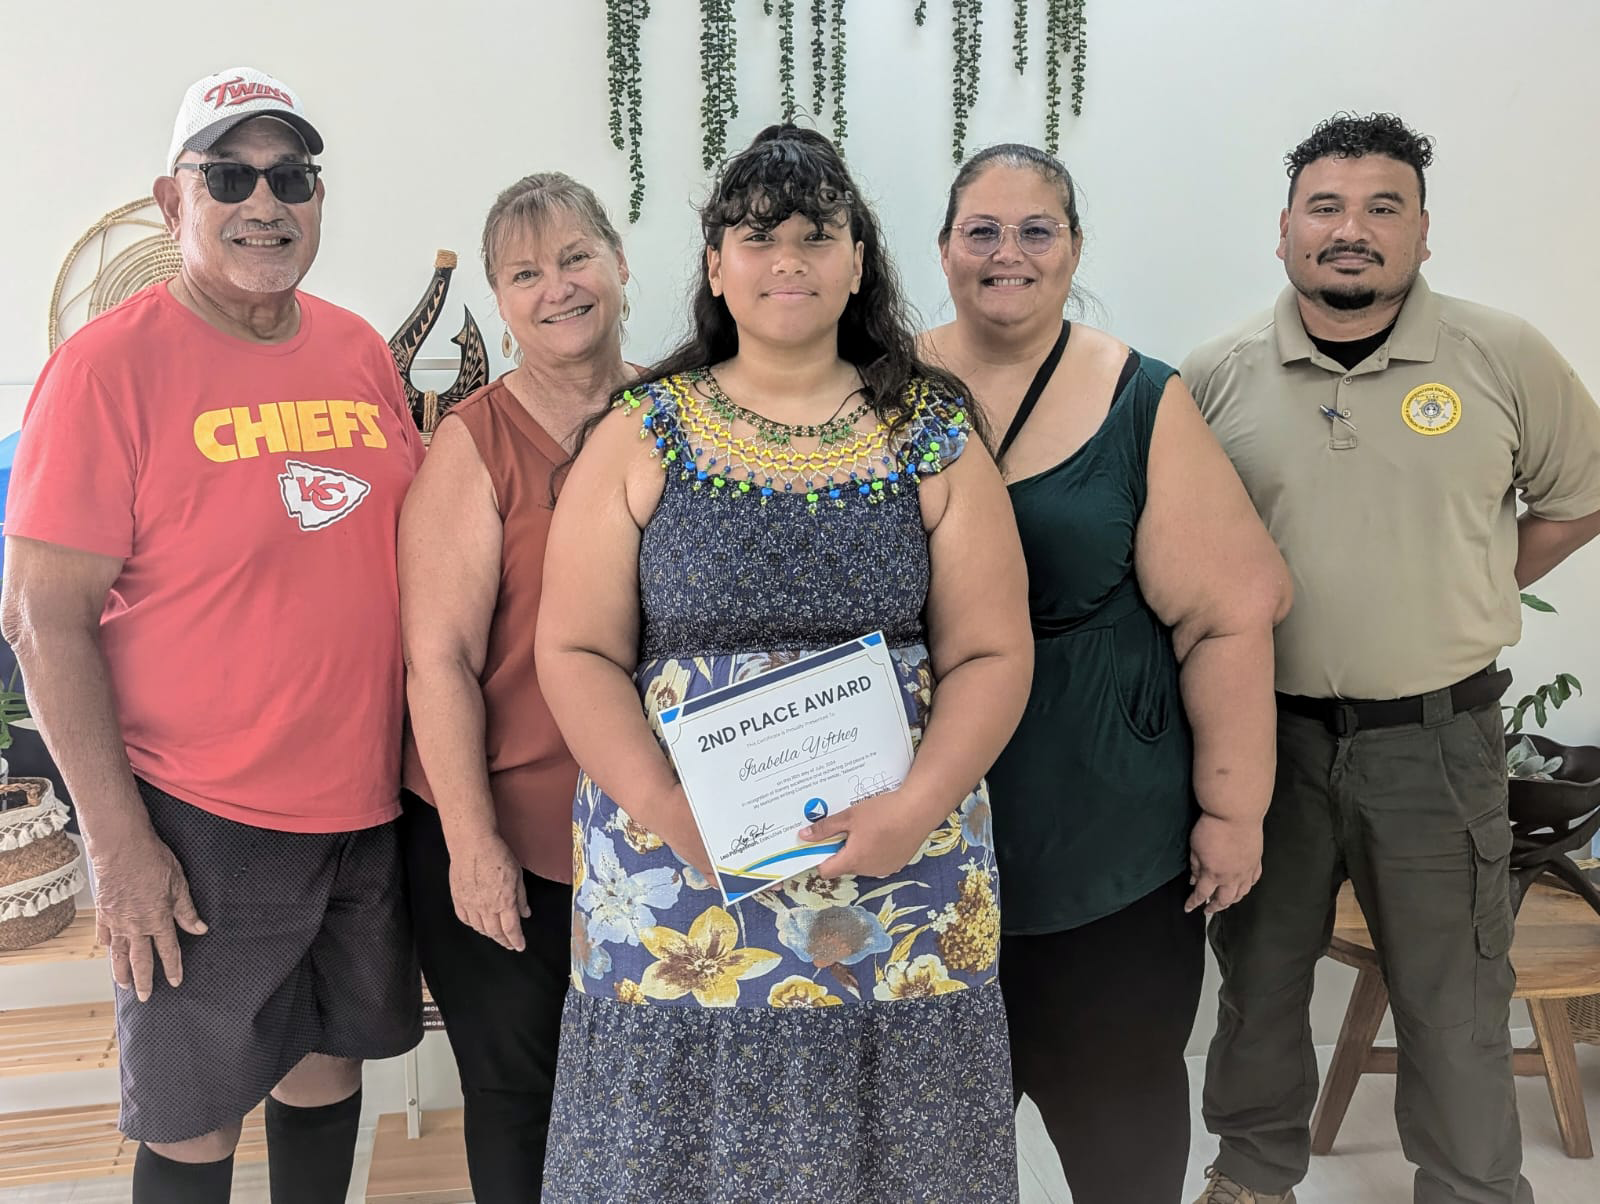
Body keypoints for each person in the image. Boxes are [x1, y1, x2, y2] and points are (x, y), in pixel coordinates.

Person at [534, 124, 1034, 1201]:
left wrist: (916, 806)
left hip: (903, 864)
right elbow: (573, 649)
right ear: (715, 264)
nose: (788, 259)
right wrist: (668, 807)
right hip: (679, 872)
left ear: (859, 260)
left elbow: (992, 648)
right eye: (756, 237)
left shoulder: (930, 427)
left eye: (816, 234)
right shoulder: (639, 430)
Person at [0, 67, 424, 1204]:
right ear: (170, 200)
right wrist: (119, 845)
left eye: (291, 176)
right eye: (228, 175)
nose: (264, 201)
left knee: (329, 1064)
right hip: (200, 819)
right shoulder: (103, 370)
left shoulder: (357, 351)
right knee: (193, 1120)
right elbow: (41, 620)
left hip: (364, 803)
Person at [1184, 112, 1600, 1204]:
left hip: (1436, 742)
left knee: (1453, 998)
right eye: (1325, 206)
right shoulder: (1214, 377)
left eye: (1383, 207)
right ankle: (1251, 1176)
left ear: (1422, 234)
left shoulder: (1499, 354)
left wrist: (1469, 585)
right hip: (1261, 743)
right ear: (1283, 232)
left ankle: (1468, 1189)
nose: (1351, 230)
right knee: (1257, 988)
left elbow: (1579, 496)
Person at [920, 144, 1291, 1204]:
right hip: (919, 849)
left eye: (1036, 230)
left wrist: (1233, 810)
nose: (1007, 253)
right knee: (930, 1145)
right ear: (943, 248)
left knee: (1119, 1125)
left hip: (1107, 844)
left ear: (1073, 247)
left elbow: (1229, 613)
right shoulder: (877, 390)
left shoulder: (1141, 397)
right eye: (980, 231)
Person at [396, 171, 633, 1202]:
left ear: (619, 264)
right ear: (498, 298)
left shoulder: (683, 412)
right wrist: (474, 843)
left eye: (575, 257)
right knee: (521, 1099)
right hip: (508, 837)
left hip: (652, 838)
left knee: (643, 1093)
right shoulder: (473, 442)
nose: (558, 288)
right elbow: (436, 658)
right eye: (525, 273)